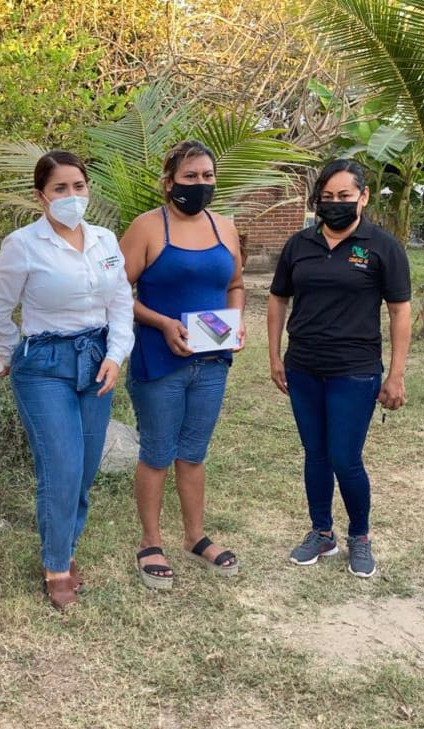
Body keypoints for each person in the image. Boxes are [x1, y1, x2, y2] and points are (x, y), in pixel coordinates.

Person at [0, 150, 134, 610]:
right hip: (45, 366)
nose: (71, 196)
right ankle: (56, 565)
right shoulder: (23, 244)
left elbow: (121, 303)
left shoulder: (105, 240)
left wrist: (116, 355)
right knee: (62, 465)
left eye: (78, 186)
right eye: (60, 188)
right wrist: (11, 352)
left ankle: (66, 546)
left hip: (97, 360)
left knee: (84, 467)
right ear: (41, 196)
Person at [267, 158, 411, 578]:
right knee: (315, 454)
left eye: (345, 196)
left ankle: (360, 536)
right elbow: (277, 298)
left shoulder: (382, 247)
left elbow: (400, 312)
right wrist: (274, 356)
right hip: (303, 367)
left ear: (363, 197)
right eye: (327, 196)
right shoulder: (299, 244)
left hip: (355, 370)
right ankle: (322, 532)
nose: (335, 203)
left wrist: (396, 374)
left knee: (345, 457)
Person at [120, 140, 245, 590]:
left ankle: (195, 536)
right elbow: (115, 292)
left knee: (193, 452)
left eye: (207, 176)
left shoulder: (224, 227)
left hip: (212, 361)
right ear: (169, 182)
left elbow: (235, 285)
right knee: (157, 452)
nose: (200, 184)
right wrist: (162, 323)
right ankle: (151, 541)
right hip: (159, 361)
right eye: (190, 176)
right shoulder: (147, 227)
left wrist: (236, 322)